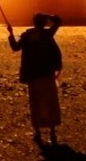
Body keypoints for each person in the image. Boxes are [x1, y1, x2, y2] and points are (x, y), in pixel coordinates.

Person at [8, 13, 62, 145]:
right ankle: (52, 134)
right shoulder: (47, 34)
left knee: (35, 102)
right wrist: (50, 16)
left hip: (32, 75)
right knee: (50, 102)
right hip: (46, 74)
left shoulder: (27, 36)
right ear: (44, 23)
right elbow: (59, 21)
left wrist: (10, 33)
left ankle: (37, 133)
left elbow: (15, 47)